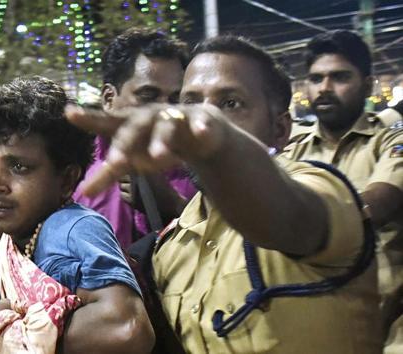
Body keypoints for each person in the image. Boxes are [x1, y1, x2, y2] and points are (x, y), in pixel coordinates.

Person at [66, 35, 381, 353]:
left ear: (281, 129)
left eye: (230, 103)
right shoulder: (171, 244)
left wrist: (220, 140)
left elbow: (292, 218)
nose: (197, 120)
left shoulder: (318, 189)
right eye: (189, 104)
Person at [0, 76, 154, 354]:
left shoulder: (71, 226)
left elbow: (127, 328)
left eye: (18, 166)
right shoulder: (20, 234)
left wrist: (6, 327)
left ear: (66, 180)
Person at [282, 30, 403, 353]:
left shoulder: (390, 141)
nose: (324, 88)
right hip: (306, 331)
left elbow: (380, 201)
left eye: (339, 77)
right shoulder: (291, 153)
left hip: (386, 333)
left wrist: (301, 222)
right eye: (316, 78)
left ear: (367, 85)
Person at [73, 28, 196, 248]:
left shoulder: (202, 172)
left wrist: (174, 206)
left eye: (174, 99)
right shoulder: (73, 173)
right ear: (109, 99)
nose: (164, 111)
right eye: (148, 96)